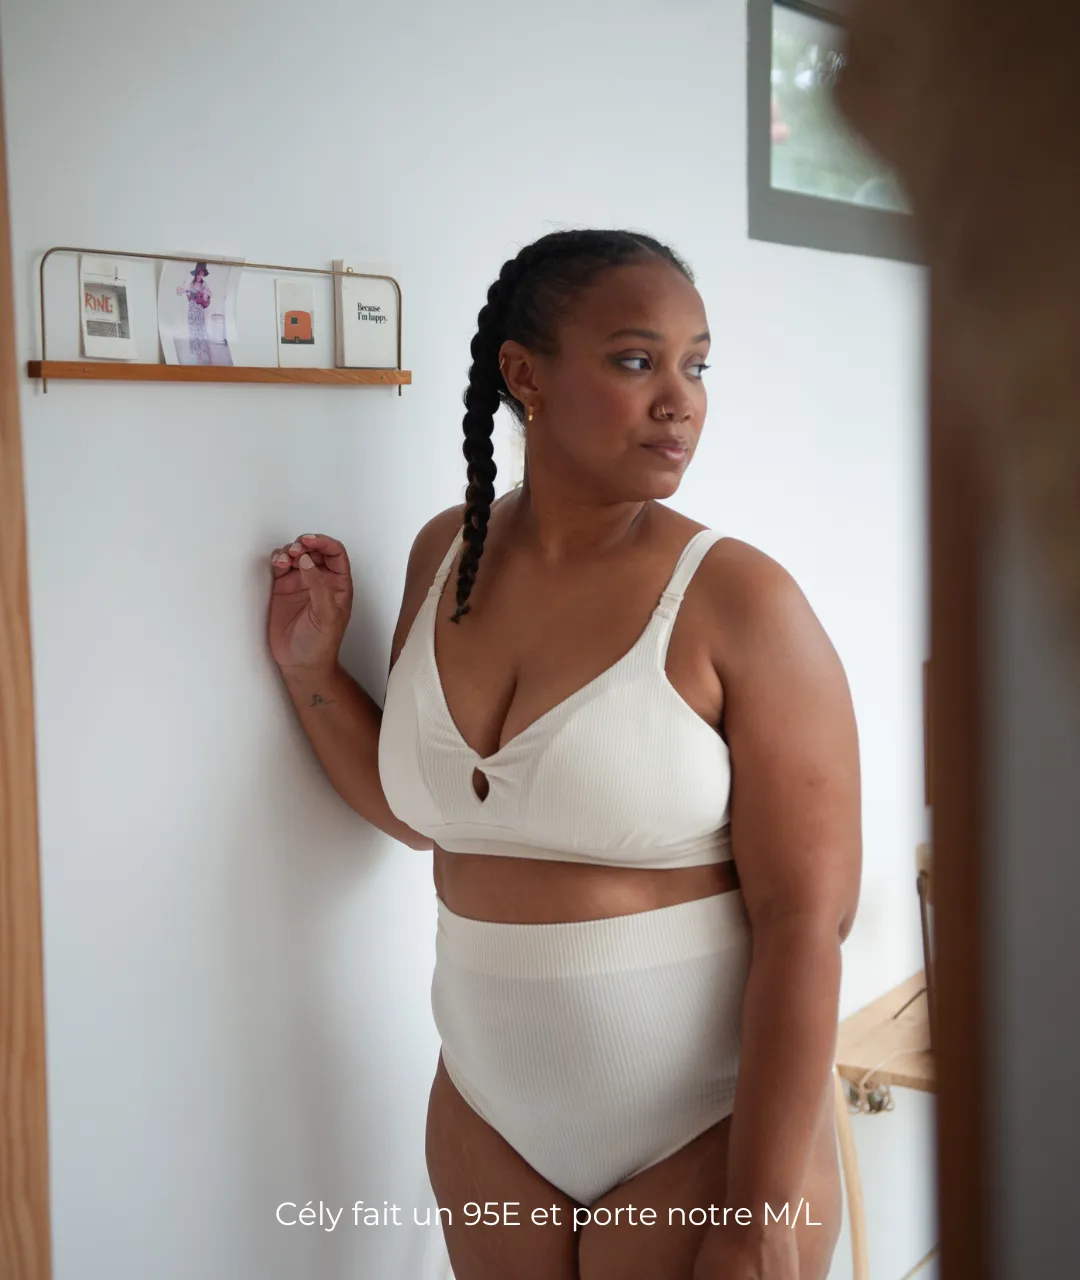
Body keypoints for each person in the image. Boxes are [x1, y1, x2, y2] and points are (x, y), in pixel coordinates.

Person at [266, 229, 862, 1280]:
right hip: (488, 1112)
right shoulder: (446, 553)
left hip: (707, 1125)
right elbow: (436, 816)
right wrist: (314, 672)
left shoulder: (740, 598)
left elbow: (808, 922)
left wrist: (758, 1215)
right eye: (637, 360)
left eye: (696, 366)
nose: (679, 401)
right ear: (525, 374)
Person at [176, 261, 211, 364]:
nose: (200, 276)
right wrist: (186, 292)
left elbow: (207, 299)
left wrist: (205, 294)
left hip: (200, 311)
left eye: (202, 274)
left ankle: (203, 350)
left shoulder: (205, 284)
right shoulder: (190, 284)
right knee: (193, 331)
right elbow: (189, 299)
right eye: (198, 273)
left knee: (200, 330)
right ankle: (197, 354)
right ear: (195, 273)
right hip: (192, 311)